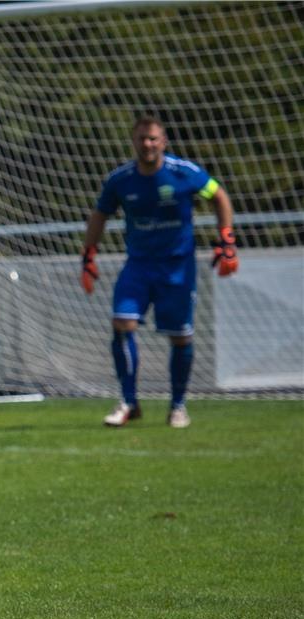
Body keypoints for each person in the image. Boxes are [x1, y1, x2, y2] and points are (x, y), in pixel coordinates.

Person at [80, 115, 238, 428]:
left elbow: (218, 194)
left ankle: (178, 406)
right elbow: (100, 214)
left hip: (178, 268)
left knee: (180, 338)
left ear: (163, 141)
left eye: (153, 138)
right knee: (122, 322)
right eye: (142, 138)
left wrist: (227, 239)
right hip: (138, 266)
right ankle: (128, 401)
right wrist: (88, 255)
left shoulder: (185, 173)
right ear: (133, 142)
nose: (147, 144)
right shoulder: (120, 180)